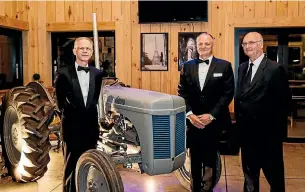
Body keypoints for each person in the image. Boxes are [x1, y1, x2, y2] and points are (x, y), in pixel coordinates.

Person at [234, 32, 291, 192]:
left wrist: (276, 134)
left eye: (251, 42)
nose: (247, 46)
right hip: (247, 136)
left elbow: (284, 104)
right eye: (244, 44)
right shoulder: (242, 68)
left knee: (275, 179)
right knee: (250, 179)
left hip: (268, 138)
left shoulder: (275, 69)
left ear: (261, 44)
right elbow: (241, 99)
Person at [178, 32, 235, 192]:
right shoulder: (187, 66)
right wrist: (190, 115)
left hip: (214, 122)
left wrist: (211, 115)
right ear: (196, 46)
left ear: (212, 45)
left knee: (211, 159)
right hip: (193, 122)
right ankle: (195, 188)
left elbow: (227, 94)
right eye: (200, 44)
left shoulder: (224, 66)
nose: (203, 47)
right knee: (194, 159)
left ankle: (208, 188)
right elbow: (182, 93)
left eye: (207, 44)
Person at [55, 37, 104, 192]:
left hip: (91, 129)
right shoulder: (63, 73)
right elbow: (60, 103)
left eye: (88, 48)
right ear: (74, 51)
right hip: (72, 129)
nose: (84, 51)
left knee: (89, 166)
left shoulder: (97, 74)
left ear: (92, 52)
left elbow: (94, 100)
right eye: (81, 48)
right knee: (71, 167)